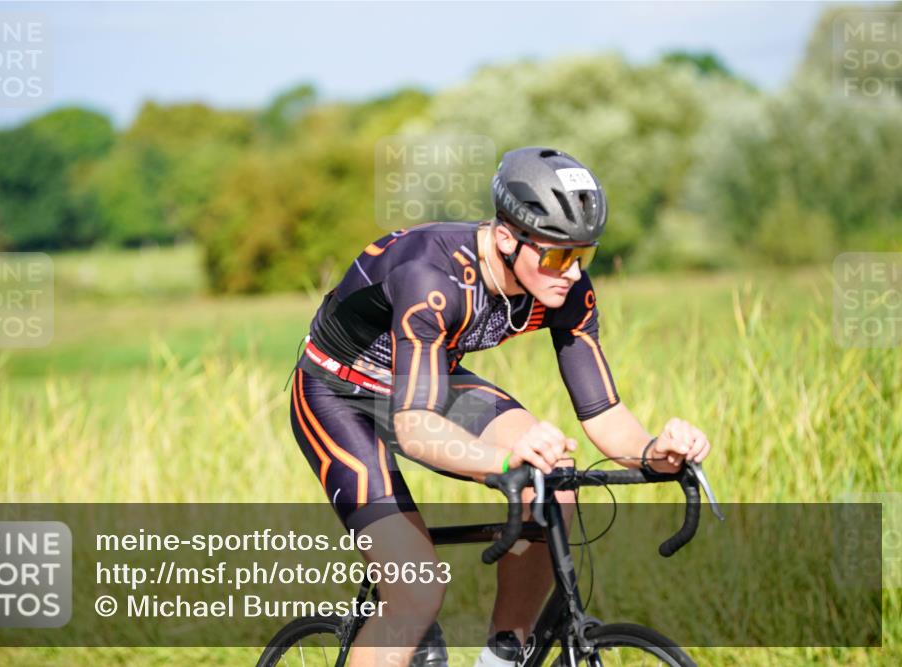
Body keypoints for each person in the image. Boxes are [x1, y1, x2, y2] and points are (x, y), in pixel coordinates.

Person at [288, 146, 712, 666]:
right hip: (339, 396)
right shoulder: (433, 277)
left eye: (585, 255)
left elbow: (603, 415)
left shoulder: (564, 287)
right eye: (558, 255)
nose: (573, 273)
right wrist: (506, 462)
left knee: (553, 477)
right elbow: (417, 428)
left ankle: (503, 654)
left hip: (426, 382)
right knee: (415, 590)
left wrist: (655, 452)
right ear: (507, 239)